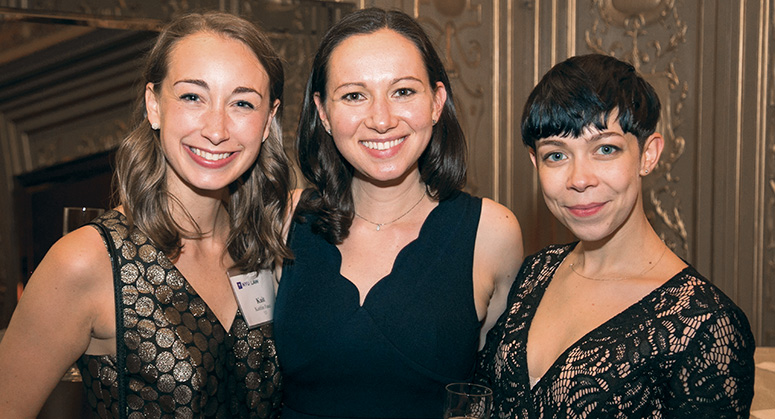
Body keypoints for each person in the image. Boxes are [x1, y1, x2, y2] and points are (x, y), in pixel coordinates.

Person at [0, 12, 290, 418]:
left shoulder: (267, 245)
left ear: (267, 122)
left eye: (242, 103)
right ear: (154, 105)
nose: (217, 128)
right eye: (193, 96)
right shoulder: (87, 261)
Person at [273, 7, 523, 419]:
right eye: (354, 95)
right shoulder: (283, 219)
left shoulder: (492, 233)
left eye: (403, 91)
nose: (382, 119)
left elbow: (497, 392)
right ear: (323, 113)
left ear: (437, 102)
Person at [476, 53, 756, 418]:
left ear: (647, 155)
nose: (579, 179)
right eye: (556, 155)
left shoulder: (704, 324)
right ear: (535, 163)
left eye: (605, 149)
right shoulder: (534, 273)